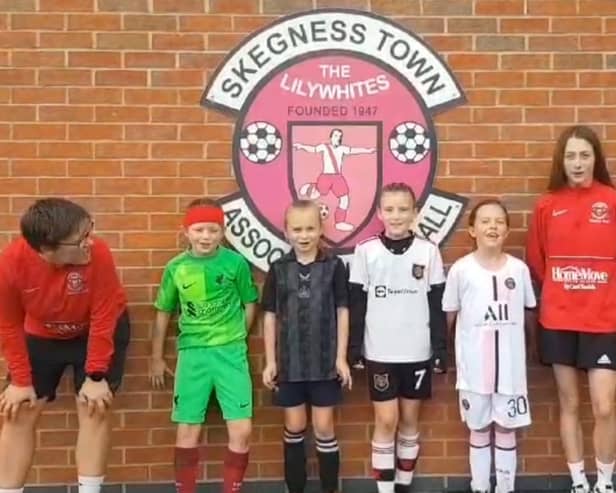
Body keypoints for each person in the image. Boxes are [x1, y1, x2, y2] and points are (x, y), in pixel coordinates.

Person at [0, 198, 130, 493]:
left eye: (90, 231)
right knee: (18, 410)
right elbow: (8, 325)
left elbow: (104, 313)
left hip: (96, 330)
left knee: (94, 405)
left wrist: (96, 375)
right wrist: (21, 380)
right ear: (48, 250)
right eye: (80, 239)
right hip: (42, 334)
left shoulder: (99, 253)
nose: (90, 242)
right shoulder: (11, 264)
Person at [526, 125, 616, 493]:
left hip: (604, 318)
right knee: (569, 401)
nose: (577, 163)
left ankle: (606, 481)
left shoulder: (611, 200)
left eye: (584, 155)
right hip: (559, 318)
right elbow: (537, 260)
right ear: (560, 161)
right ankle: (579, 481)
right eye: (570, 156)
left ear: (596, 158)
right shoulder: (548, 204)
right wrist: (567, 286)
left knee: (605, 405)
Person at [150, 198, 258, 493]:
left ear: (222, 232)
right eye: (199, 230)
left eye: (213, 230)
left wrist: (237, 335)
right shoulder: (176, 268)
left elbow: (250, 303)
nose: (206, 236)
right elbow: (163, 313)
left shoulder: (235, 263)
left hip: (230, 353)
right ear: (186, 231)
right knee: (187, 429)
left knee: (242, 429)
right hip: (193, 354)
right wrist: (156, 357)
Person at [348, 182, 447, 493]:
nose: (396, 215)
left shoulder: (429, 252)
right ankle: (386, 490)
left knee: (408, 420)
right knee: (386, 419)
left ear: (414, 213)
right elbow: (357, 304)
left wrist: (440, 348)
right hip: (379, 350)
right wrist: (353, 348)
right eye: (389, 209)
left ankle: (403, 484)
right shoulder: (365, 251)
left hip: (416, 350)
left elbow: (437, 303)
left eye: (403, 209)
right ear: (379, 213)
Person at [442, 199, 537, 493]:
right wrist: (447, 354)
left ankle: (505, 488)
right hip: (474, 370)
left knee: (507, 428)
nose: (492, 227)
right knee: (479, 427)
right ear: (472, 230)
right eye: (485, 221)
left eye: (499, 221)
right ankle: (481, 487)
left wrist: (531, 349)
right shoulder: (461, 270)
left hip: (510, 369)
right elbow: (450, 315)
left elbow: (529, 311)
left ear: (507, 230)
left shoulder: (519, 270)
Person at [261, 199, 351, 493]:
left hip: (324, 362)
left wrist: (341, 358)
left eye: (310, 228)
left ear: (320, 229)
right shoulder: (278, 268)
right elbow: (270, 316)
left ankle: (330, 489)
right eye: (297, 229)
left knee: (324, 428)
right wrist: (271, 361)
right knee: (295, 426)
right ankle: (295, 488)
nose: (304, 235)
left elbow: (342, 311)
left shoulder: (334, 266)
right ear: (286, 231)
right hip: (290, 363)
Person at [294, 128, 376, 232]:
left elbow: (354, 150)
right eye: (335, 135)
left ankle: (340, 222)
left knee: (345, 199)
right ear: (331, 137)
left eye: (339, 136)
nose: (337, 138)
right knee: (317, 194)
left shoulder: (342, 149)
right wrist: (301, 146)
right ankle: (312, 186)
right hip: (326, 176)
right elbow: (313, 149)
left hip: (337, 177)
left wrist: (368, 151)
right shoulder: (324, 147)